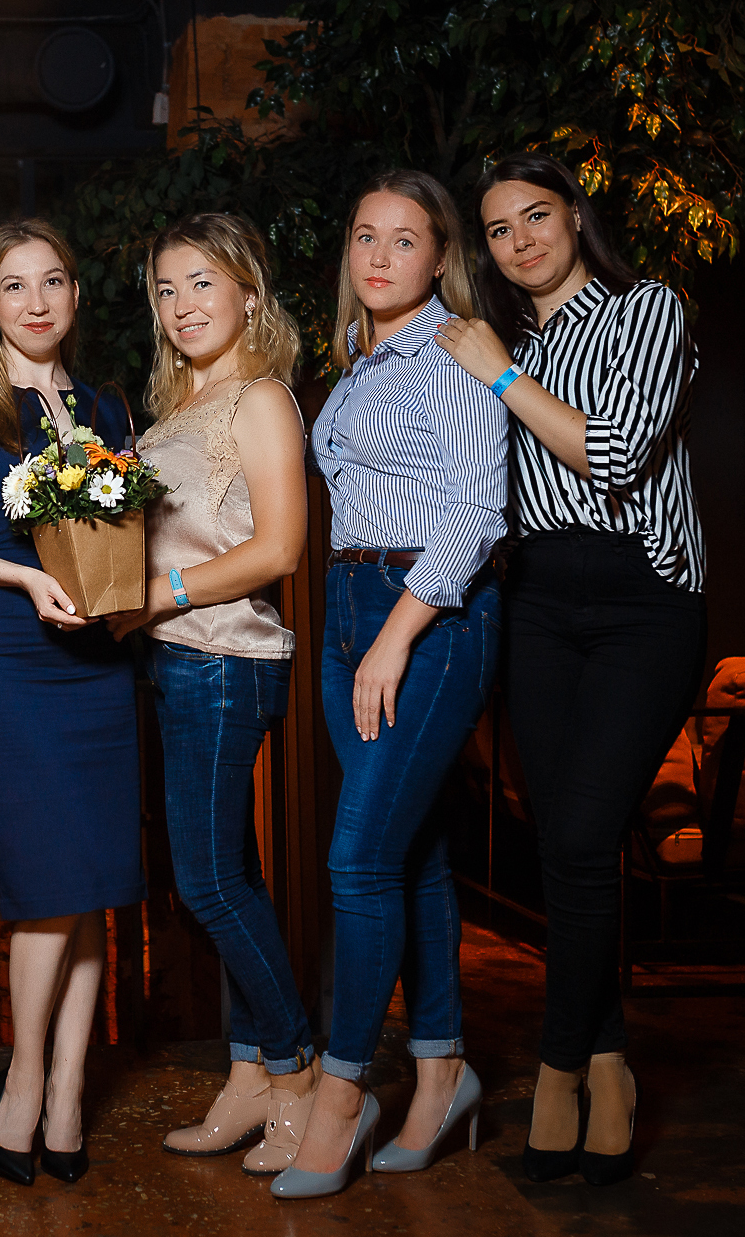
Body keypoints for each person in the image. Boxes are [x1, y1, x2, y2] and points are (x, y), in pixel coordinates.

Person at [435, 150, 705, 1187]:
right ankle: (608, 1062)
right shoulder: (509, 339)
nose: (521, 241)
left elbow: (617, 453)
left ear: (576, 217)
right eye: (500, 229)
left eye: (536, 216)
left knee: (587, 834)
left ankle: (558, 1068)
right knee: (565, 843)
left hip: (643, 599)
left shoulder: (648, 311)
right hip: (539, 602)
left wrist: (499, 374)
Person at [272, 169, 507, 1201]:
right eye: (365, 235)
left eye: (404, 239)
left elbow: (478, 510)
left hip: (429, 616)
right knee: (413, 854)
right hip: (352, 606)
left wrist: (395, 636)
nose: (378, 255)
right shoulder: (363, 360)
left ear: (441, 256)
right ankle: (444, 1069)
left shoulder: (451, 350)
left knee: (359, 859)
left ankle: (344, 1091)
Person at [0, 218, 145, 1189]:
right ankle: (24, 1081)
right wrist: (19, 578)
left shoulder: (107, 407)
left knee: (92, 888)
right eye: (15, 286)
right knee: (46, 889)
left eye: (53, 281)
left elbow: (128, 529)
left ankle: (68, 1091)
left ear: (75, 296)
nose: (36, 301)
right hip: (11, 657)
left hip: (99, 664)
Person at [102, 214, 318, 1176]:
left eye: (202, 283)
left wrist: (157, 595)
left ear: (248, 294)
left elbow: (279, 549)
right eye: (167, 289)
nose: (183, 305)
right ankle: (248, 1076)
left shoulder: (260, 400)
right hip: (178, 661)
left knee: (209, 884)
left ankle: (299, 1075)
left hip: (225, 660)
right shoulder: (178, 406)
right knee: (234, 876)